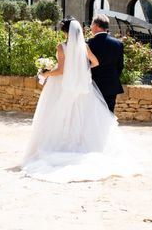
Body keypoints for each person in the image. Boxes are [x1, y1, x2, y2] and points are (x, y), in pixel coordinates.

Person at [21, 17, 139, 183]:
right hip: (82, 88)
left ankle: (62, 146)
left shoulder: (61, 46)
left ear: (65, 32)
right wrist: (81, 72)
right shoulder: (84, 46)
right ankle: (84, 146)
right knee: (82, 116)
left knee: (60, 115)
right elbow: (95, 62)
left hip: (64, 87)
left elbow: (61, 70)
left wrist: (45, 73)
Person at [87, 14, 124, 113]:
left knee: (95, 114)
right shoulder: (118, 43)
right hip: (112, 84)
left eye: (91, 24)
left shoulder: (89, 43)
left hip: (94, 85)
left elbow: (86, 65)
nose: (90, 27)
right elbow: (120, 66)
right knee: (109, 113)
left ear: (96, 25)